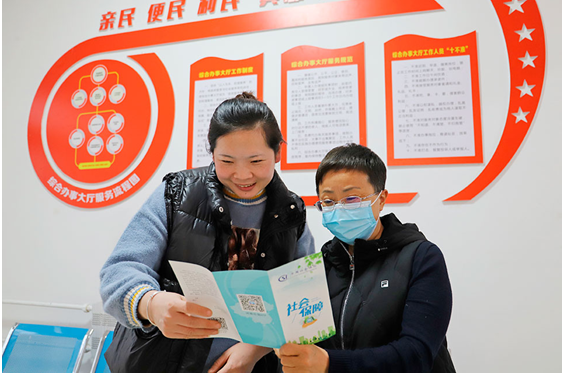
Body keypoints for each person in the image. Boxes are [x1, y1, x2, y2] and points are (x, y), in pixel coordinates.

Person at [100, 92, 315, 372]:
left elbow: (304, 302)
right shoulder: (177, 193)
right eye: (227, 161)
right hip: (160, 361)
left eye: (256, 161)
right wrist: (150, 304)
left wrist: (256, 348)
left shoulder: (291, 212)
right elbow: (119, 270)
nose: (242, 175)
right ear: (212, 154)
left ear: (277, 154)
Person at [276, 143, 455, 373]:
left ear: (381, 199)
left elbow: (416, 354)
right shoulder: (317, 268)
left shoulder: (421, 257)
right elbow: (307, 344)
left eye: (352, 199)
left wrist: (330, 363)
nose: (339, 209)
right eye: (328, 202)